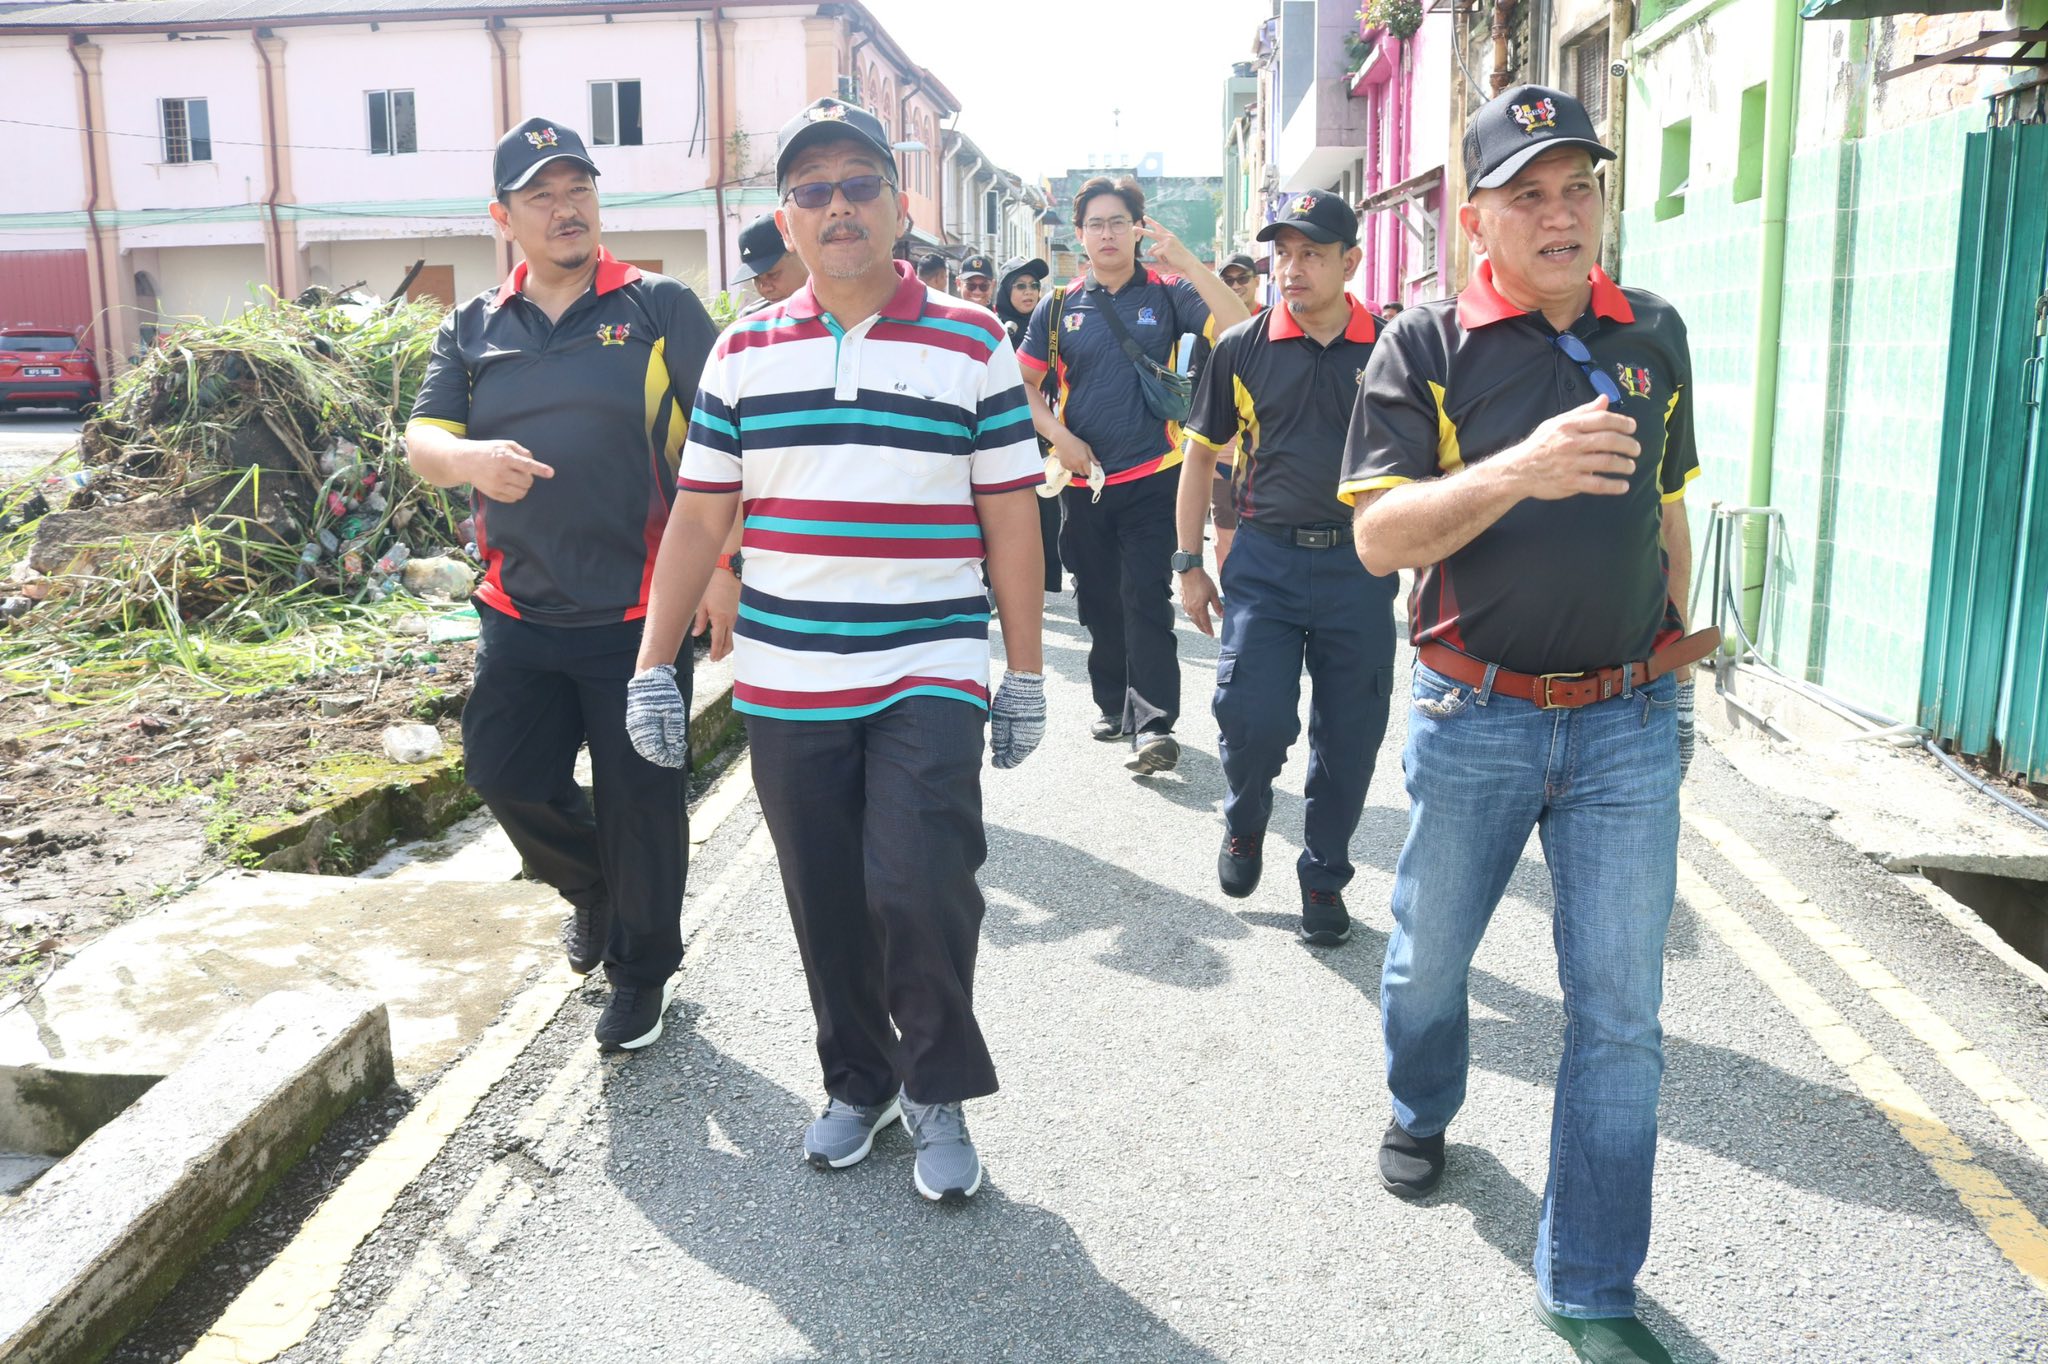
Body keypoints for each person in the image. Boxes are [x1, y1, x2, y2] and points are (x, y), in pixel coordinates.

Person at [1341, 86, 1716, 1364]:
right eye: (1527, 195)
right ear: (1475, 220)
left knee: (1619, 1013)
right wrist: (1520, 467)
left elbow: (1664, 503)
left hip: (1622, 721)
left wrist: (1676, 650)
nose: (1560, 216)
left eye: (1579, 189)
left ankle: (1590, 1282)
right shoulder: (1424, 344)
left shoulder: (1652, 332)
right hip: (1474, 712)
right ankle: (1421, 1096)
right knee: (1426, 963)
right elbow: (1377, 534)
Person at [624, 96, 1048, 1204]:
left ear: (898, 203)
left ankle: (937, 1085)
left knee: (918, 879)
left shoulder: (973, 339)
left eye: (858, 182)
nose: (837, 207)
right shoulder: (742, 351)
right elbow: (700, 519)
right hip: (788, 672)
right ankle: (858, 1079)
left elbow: (1009, 515)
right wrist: (651, 665)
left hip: (927, 663)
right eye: (811, 191)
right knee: (823, 892)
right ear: (787, 216)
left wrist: (1028, 669)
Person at [405, 116, 718, 1052]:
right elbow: (423, 441)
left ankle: (641, 971)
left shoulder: (660, 307)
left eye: (577, 188)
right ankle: (590, 887)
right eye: (540, 194)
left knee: (643, 803)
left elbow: (721, 447)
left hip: (641, 612)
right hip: (519, 608)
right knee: (504, 775)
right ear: (503, 216)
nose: (564, 207)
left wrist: (724, 572)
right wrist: (468, 462)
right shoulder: (471, 328)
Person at [1176, 191, 1395, 948]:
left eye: (1311, 254)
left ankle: (1324, 875)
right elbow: (1201, 456)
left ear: (1350, 261)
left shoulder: (1391, 349)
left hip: (1360, 565)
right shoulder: (1242, 347)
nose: (1291, 270)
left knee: (1352, 735)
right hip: (1265, 562)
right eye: (1282, 255)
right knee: (1251, 716)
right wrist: (1189, 565)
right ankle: (1245, 819)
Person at [1017, 175, 1249, 773]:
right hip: (1084, 482)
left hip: (1156, 476)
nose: (1107, 234)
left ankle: (1153, 725)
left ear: (1137, 228)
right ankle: (1114, 699)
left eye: (1118, 221)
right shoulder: (1059, 306)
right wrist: (1061, 439)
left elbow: (1240, 325)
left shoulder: (1169, 292)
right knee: (1096, 599)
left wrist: (1190, 263)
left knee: (1145, 596)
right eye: (1095, 224)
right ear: (1079, 236)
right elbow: (1024, 388)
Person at [996, 256, 1063, 594]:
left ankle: (1044, 583)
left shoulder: (1047, 328)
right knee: (1003, 514)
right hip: (1001, 435)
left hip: (1041, 435)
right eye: (1020, 285)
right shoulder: (992, 328)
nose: (1029, 292)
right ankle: (996, 584)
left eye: (1034, 286)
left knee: (1047, 512)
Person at [731, 211, 809, 307]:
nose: (764, 288)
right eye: (756, 278)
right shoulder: (755, 319)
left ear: (802, 255)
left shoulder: (832, 310)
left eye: (773, 275)